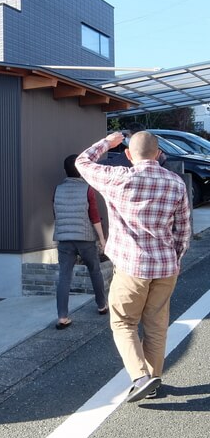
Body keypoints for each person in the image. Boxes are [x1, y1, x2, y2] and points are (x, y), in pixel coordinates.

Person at [76, 131, 190, 402]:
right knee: (156, 325)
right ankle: (153, 381)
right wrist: (175, 258)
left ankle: (141, 377)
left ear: (128, 155)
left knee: (124, 322)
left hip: (131, 267)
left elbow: (82, 162)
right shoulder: (175, 183)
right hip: (165, 267)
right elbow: (183, 231)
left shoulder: (118, 177)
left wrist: (108, 142)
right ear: (159, 153)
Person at [53, 154, 107, 330]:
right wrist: (102, 239)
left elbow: (56, 214)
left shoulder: (57, 189)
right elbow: (94, 216)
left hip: (64, 239)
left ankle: (62, 316)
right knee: (95, 271)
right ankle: (101, 305)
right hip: (84, 238)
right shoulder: (87, 189)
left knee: (64, 277)